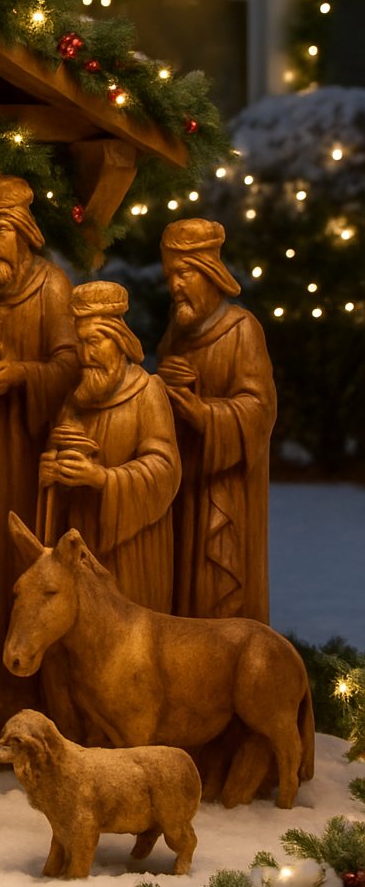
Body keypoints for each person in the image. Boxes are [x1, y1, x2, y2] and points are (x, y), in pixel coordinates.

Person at [0, 176, 78, 736]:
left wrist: (20, 374)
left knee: (20, 553)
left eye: (3, 230)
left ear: (25, 232)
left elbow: (71, 365)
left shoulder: (52, 287)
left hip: (27, 452)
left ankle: (27, 684)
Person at [158, 218, 277, 621]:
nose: (175, 285)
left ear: (210, 273)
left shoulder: (242, 330)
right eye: (171, 275)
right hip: (184, 482)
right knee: (182, 587)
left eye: (185, 273)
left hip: (226, 495)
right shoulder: (177, 333)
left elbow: (259, 410)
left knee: (219, 584)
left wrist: (204, 414)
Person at [38, 281, 180, 612]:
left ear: (118, 340)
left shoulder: (148, 392)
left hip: (133, 548)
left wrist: (102, 479)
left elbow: (165, 467)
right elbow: (54, 453)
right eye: (80, 344)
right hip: (81, 536)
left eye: (95, 342)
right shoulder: (76, 399)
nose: (86, 356)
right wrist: (49, 469)